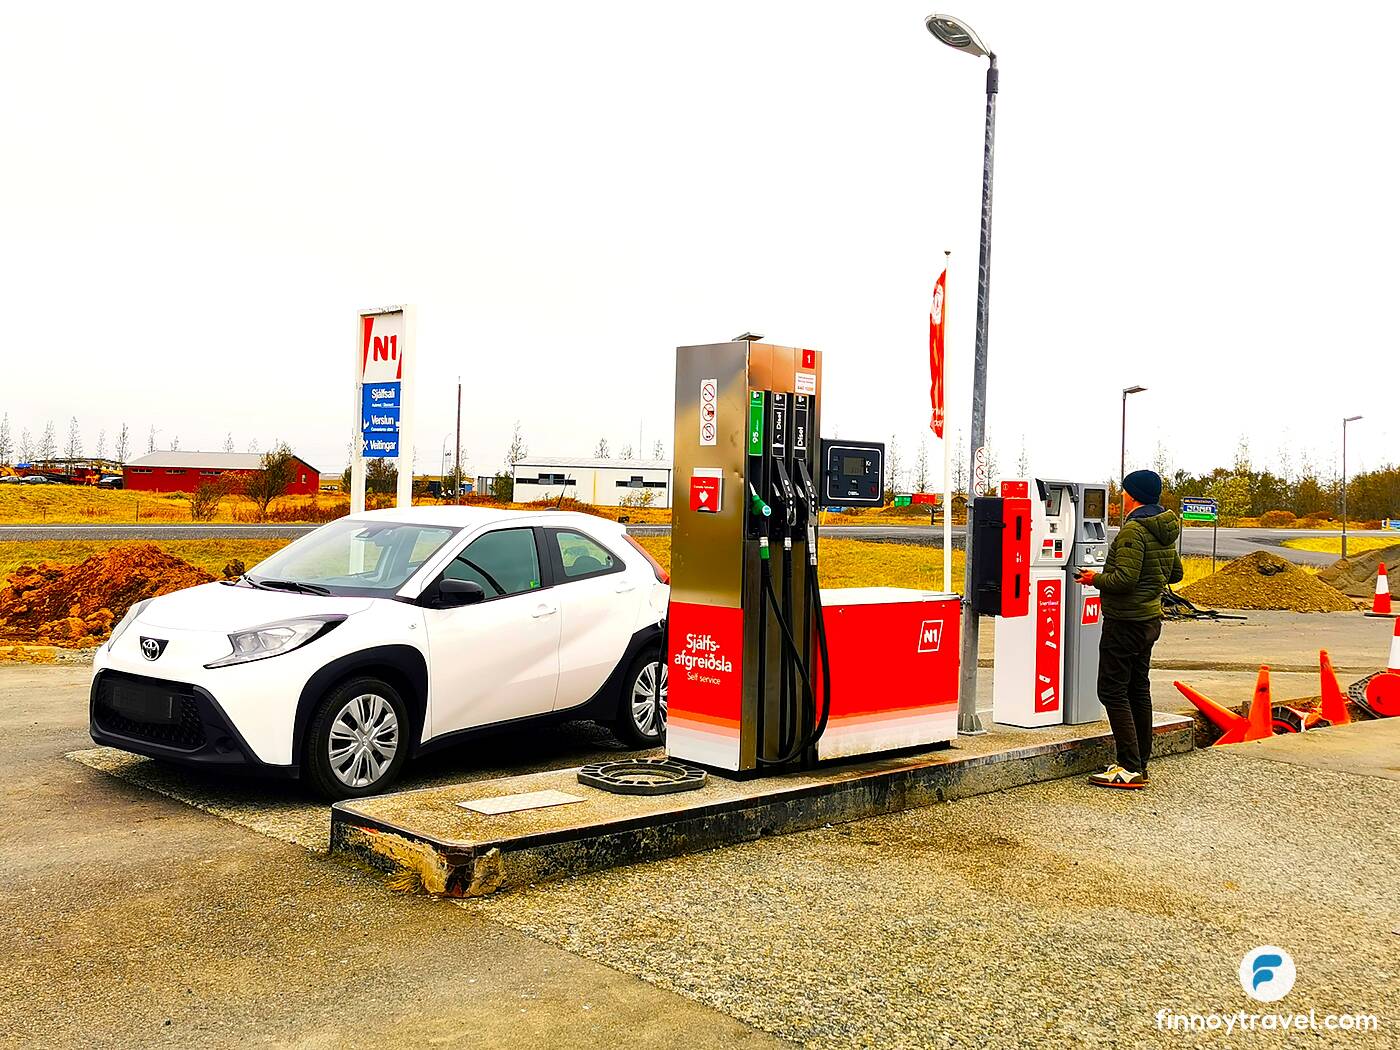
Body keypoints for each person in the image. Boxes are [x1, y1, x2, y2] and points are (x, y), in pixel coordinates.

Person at [1073, 469, 1182, 789]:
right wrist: (1152, 577)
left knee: (1111, 690)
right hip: (1149, 620)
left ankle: (1130, 766)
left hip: (1125, 621)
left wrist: (1094, 579)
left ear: (1133, 495)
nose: (1121, 495)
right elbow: (1175, 573)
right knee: (1137, 689)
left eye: (1124, 491)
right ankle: (1139, 762)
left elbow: (1124, 580)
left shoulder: (1134, 530)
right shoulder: (1163, 528)